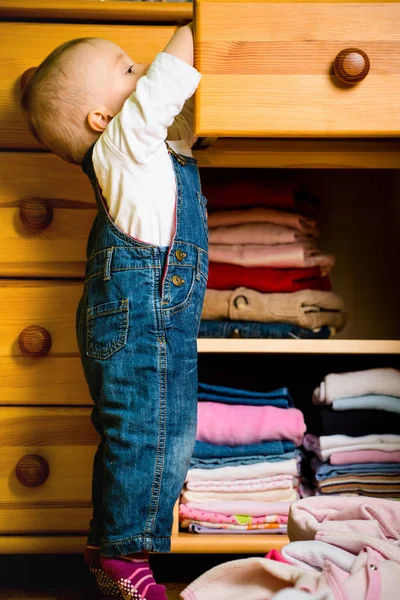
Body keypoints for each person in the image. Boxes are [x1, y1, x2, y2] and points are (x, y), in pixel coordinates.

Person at [20, 22, 208, 600]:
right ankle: (126, 558)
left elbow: (170, 107)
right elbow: (170, 78)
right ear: (101, 120)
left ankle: (108, 544)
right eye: (128, 71)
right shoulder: (125, 142)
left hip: (142, 315)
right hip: (140, 315)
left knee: (140, 430)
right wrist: (198, 23)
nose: (144, 71)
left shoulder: (144, 150)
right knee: (151, 435)